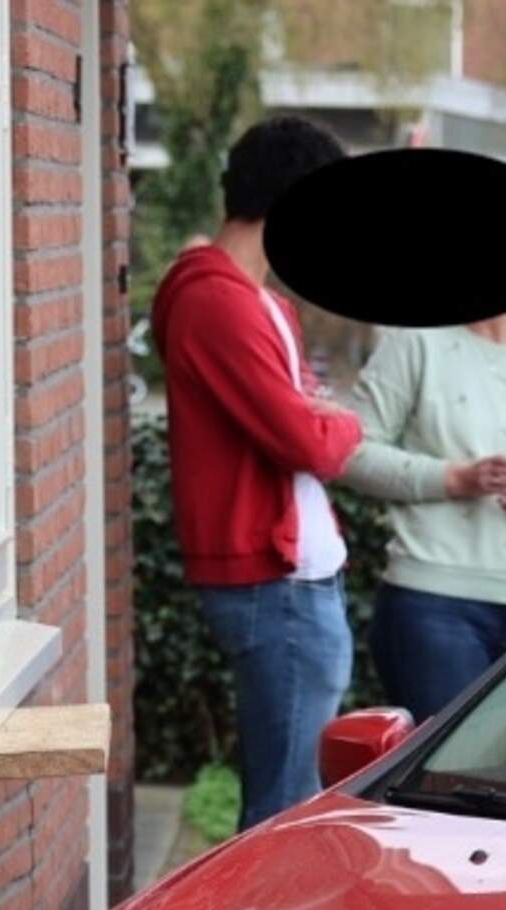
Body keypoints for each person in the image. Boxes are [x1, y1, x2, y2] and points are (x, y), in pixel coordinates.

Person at [151, 115, 362, 827]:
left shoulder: (263, 302)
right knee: (281, 813)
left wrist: (324, 418)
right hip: (278, 591)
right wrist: (350, 420)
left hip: (296, 584)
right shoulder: (214, 300)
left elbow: (308, 418)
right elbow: (312, 439)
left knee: (290, 801)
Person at [339, 305, 506, 719]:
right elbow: (352, 453)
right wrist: (456, 479)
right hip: (434, 602)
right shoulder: (414, 342)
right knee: (446, 779)